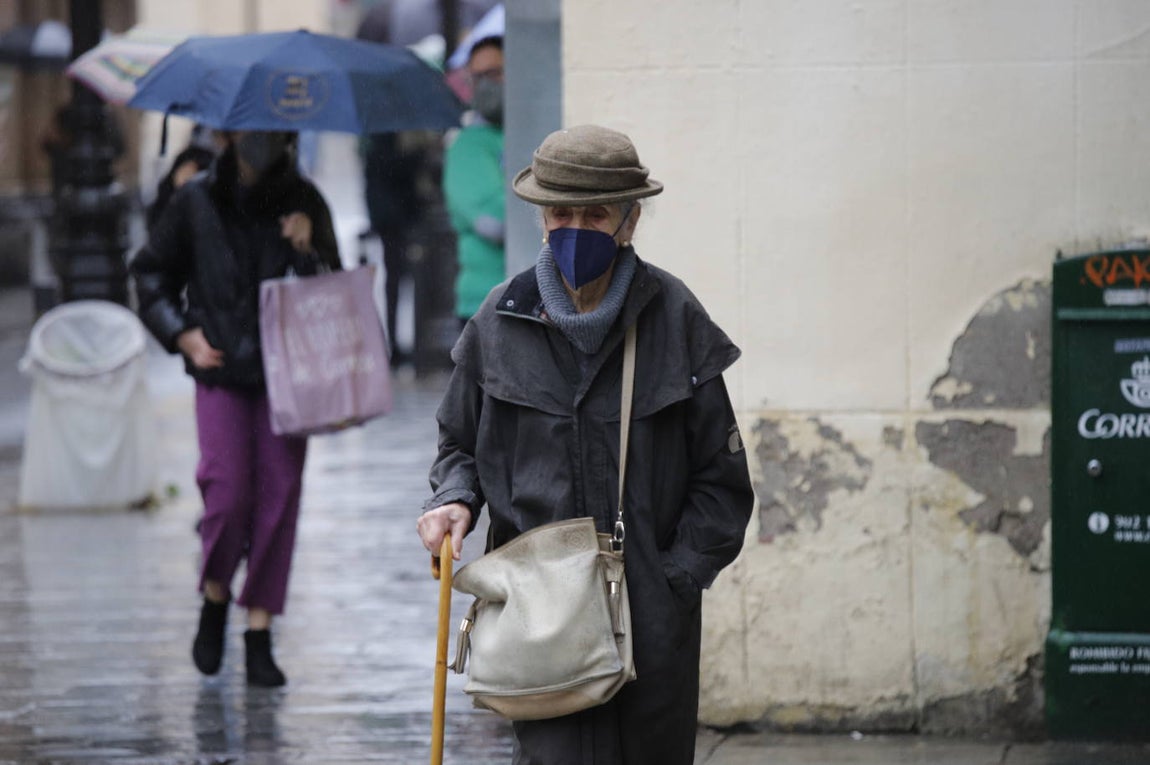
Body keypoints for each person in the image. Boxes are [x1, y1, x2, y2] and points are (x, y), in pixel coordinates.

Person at [416, 125, 755, 764]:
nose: (573, 228)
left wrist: (673, 581)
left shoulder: (675, 315)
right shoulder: (498, 319)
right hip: (536, 619)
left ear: (628, 221)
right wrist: (457, 499)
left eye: (593, 213)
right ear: (543, 217)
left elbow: (722, 480)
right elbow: (458, 444)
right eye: (560, 212)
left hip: (653, 626)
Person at [130, 130, 340, 688]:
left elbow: (335, 296)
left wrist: (307, 248)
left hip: (286, 376)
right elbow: (150, 275)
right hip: (220, 368)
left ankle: (258, 631)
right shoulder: (195, 199)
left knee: (279, 495)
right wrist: (183, 336)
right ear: (228, 133)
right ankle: (216, 593)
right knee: (226, 494)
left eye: (277, 132)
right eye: (251, 130)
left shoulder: (305, 200)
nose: (263, 141)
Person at [443, 35, 505, 327]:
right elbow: (495, 222)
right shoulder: (467, 146)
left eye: (494, 73)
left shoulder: (533, 134)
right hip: (484, 305)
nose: (486, 85)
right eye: (476, 77)